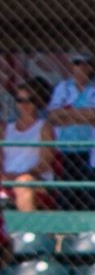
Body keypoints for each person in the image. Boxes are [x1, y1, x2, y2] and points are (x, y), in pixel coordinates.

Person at [48, 51, 95, 207]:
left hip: (89, 148)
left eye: (86, 63)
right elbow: (53, 115)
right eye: (77, 63)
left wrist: (66, 115)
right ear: (71, 66)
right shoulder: (63, 87)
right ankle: (64, 230)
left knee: (89, 194)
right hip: (65, 148)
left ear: (91, 67)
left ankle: (91, 229)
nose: (82, 67)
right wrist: (85, 116)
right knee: (65, 194)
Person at [3, 77, 53, 209]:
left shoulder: (44, 127)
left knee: (23, 183)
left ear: (37, 102)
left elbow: (45, 163)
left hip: (35, 179)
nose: (24, 105)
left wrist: (21, 175)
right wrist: (6, 176)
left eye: (29, 101)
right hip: (7, 177)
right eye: (20, 100)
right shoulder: (6, 128)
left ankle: (26, 228)